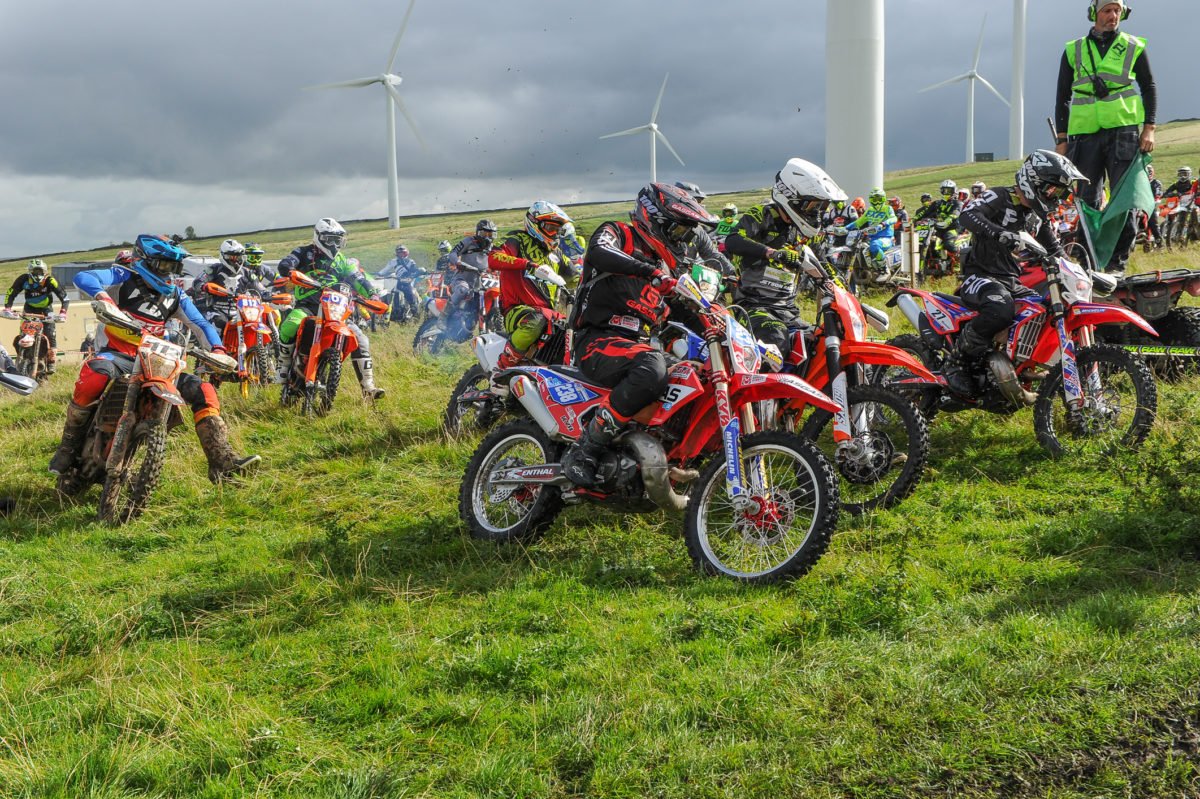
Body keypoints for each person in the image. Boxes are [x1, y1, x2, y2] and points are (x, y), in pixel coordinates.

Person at [49, 234, 259, 481]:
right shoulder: (122, 276)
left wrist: (218, 350)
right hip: (117, 354)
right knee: (94, 376)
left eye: (175, 267)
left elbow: (200, 323)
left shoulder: (176, 295)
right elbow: (84, 277)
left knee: (205, 390)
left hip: (156, 359)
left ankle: (222, 461)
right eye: (165, 264)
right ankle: (68, 445)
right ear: (145, 260)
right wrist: (102, 297)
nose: (169, 272)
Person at [561, 183, 717, 488]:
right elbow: (599, 252)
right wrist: (651, 273)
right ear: (655, 218)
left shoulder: (666, 268)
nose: (683, 240)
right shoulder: (619, 233)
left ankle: (663, 456)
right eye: (679, 230)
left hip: (637, 346)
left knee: (696, 374)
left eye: (688, 234)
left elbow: (684, 312)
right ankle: (585, 450)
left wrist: (716, 325)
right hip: (596, 339)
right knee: (651, 368)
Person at [944, 150, 1085, 397]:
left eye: (1060, 193)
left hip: (1011, 280)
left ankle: (1020, 367)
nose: (1056, 197)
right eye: (1053, 190)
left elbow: (1055, 249)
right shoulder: (1000, 196)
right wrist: (999, 233)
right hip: (980, 276)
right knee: (1000, 309)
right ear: (1034, 182)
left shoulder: (1036, 216)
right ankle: (956, 363)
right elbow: (967, 215)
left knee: (1043, 311)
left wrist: (1080, 271)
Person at [1054, 0, 1157, 274]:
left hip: (1123, 131)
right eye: (1107, 10)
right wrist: (1062, 140)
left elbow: (1148, 87)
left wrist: (1149, 128)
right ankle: (1088, 262)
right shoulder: (1073, 49)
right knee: (1086, 199)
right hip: (1084, 135)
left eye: (1117, 11)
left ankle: (1115, 265)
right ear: (1094, 13)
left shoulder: (1133, 45)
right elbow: (1062, 96)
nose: (1113, 16)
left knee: (1124, 199)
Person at [724, 158, 846, 354]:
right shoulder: (762, 214)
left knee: (820, 344)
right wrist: (772, 253)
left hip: (788, 310)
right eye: (813, 206)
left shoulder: (808, 233)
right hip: (754, 307)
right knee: (777, 339)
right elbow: (732, 240)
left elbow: (822, 263)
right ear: (792, 199)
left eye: (822, 207)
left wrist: (841, 290)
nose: (817, 213)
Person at [276, 218, 386, 399]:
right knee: (290, 325)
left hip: (336, 310)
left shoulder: (344, 261)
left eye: (338, 240)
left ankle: (368, 387)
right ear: (318, 237)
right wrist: (289, 271)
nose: (334, 244)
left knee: (361, 340)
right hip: (308, 306)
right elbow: (286, 263)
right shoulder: (303, 252)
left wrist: (373, 294)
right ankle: (283, 365)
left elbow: (358, 279)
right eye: (329, 239)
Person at [488, 201, 574, 369]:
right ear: (535, 223)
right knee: (535, 320)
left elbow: (576, 277)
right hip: (517, 310)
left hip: (549, 314)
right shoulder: (517, 239)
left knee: (577, 328)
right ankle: (503, 366)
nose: (555, 234)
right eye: (551, 228)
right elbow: (493, 258)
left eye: (558, 230)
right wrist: (527, 264)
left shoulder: (557, 254)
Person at [4, 259, 69, 374]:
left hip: (46, 310)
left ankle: (51, 360)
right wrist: (7, 308)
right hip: (29, 309)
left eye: (41, 271)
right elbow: (11, 292)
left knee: (50, 332)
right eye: (36, 271)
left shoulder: (50, 280)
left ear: (45, 271)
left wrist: (63, 313)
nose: (38, 274)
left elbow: (64, 297)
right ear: (30, 271)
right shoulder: (24, 279)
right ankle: (22, 355)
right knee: (24, 332)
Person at [192, 239, 266, 336]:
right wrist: (204, 286)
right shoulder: (214, 269)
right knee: (219, 324)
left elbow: (259, 287)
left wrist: (268, 294)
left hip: (242, 311)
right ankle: (215, 345)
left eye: (238, 257)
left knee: (256, 321)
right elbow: (198, 281)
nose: (235, 261)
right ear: (224, 256)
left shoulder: (247, 272)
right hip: (216, 309)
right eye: (232, 257)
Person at [443, 219, 498, 324]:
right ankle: (444, 316)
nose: (487, 237)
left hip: (481, 282)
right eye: (484, 233)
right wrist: (458, 263)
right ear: (478, 232)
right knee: (463, 290)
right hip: (462, 279)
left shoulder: (493, 248)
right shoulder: (468, 241)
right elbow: (453, 253)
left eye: (491, 234)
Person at [846, 187, 898, 280]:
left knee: (875, 245)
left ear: (883, 199)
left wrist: (883, 224)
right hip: (872, 239)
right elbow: (858, 222)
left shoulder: (888, 208)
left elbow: (894, 218)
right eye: (875, 200)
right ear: (871, 200)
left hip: (886, 238)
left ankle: (884, 270)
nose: (877, 202)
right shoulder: (870, 210)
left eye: (879, 199)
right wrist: (845, 228)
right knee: (861, 248)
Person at [915, 179, 964, 256]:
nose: (946, 193)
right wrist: (913, 219)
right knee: (929, 242)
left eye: (949, 190)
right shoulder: (937, 203)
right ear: (941, 191)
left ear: (954, 191)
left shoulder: (958, 203)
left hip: (952, 228)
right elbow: (925, 212)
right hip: (937, 228)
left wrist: (948, 220)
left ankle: (959, 257)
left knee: (949, 245)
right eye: (944, 190)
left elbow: (956, 212)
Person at [377, 244, 424, 320]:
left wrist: (412, 276)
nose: (400, 255)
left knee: (410, 296)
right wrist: (379, 274)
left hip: (406, 282)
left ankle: (416, 315)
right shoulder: (393, 261)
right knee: (386, 294)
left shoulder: (410, 261)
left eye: (402, 253)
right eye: (399, 253)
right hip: (396, 282)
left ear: (406, 253)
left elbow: (415, 270)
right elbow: (386, 269)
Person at [1145, 164, 1163, 248]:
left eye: (1148, 171)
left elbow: (1158, 191)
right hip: (1139, 205)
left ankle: (1160, 244)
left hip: (1151, 205)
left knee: (1153, 223)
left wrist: (1156, 198)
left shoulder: (1155, 182)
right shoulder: (1139, 182)